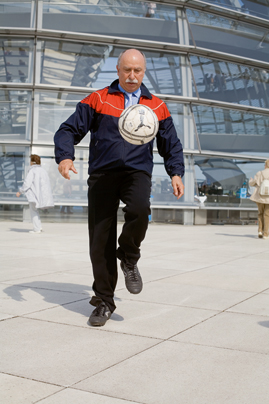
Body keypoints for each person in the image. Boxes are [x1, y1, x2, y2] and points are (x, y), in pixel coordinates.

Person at [54, 48, 185, 326]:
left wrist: (176, 173)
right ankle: (104, 300)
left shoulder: (157, 106)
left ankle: (128, 255)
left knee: (139, 209)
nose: (132, 75)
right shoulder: (98, 99)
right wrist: (65, 156)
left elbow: (171, 144)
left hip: (136, 173)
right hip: (102, 174)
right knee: (100, 239)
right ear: (117, 69)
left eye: (137, 70)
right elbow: (68, 130)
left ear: (144, 72)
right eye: (127, 69)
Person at [16, 154, 54, 233]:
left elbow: (27, 183)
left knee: (33, 211)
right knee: (35, 211)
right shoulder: (43, 171)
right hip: (40, 195)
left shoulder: (32, 170)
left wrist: (20, 191)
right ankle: (38, 227)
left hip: (33, 195)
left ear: (32, 162)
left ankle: (37, 229)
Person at [249, 159, 269, 239]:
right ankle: (266, 234)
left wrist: (250, 180)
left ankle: (260, 231)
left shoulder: (259, 173)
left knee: (260, 213)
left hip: (260, 197)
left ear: (266, 165)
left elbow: (252, 183)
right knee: (267, 215)